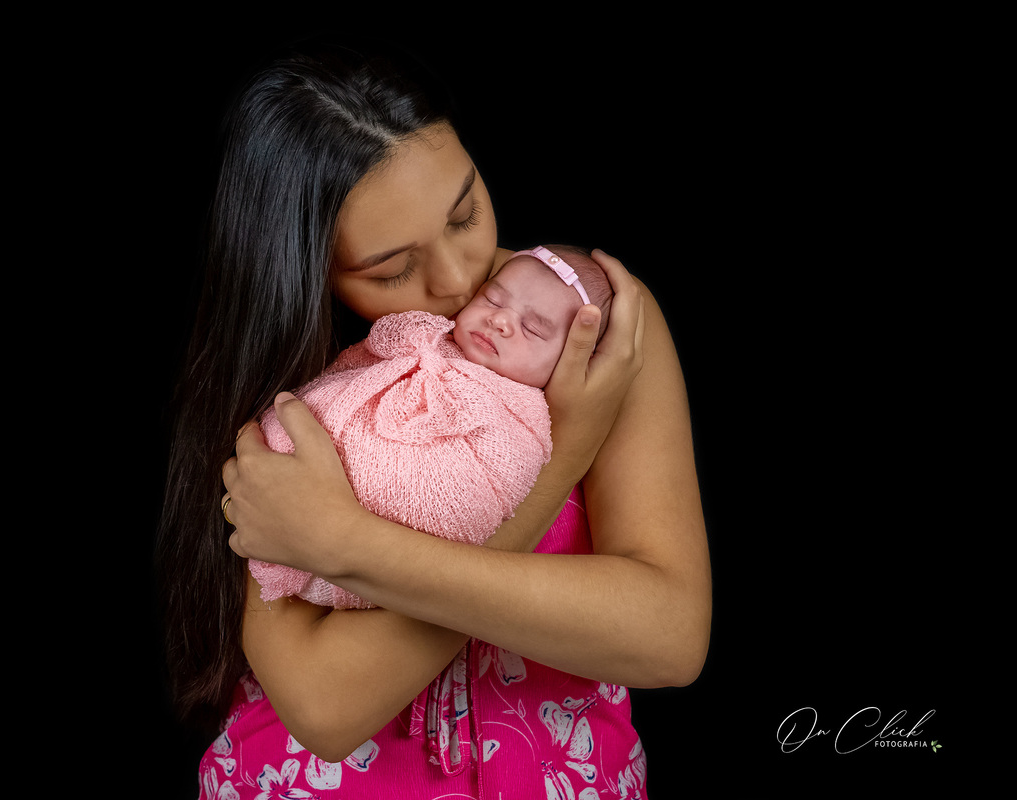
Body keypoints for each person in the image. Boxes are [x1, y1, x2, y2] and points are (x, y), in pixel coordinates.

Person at [157, 37, 711, 799]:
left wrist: (347, 543)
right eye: (391, 268)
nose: (460, 280)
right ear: (304, 266)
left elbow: (669, 638)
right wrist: (563, 458)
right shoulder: (289, 394)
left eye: (465, 213)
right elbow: (325, 705)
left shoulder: (590, 326)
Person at [249, 245, 614, 610]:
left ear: (572, 360)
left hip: (388, 552)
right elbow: (356, 365)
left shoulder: (523, 416)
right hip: (293, 485)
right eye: (492, 298)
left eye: (533, 329)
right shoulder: (428, 336)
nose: (500, 320)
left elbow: (482, 493)